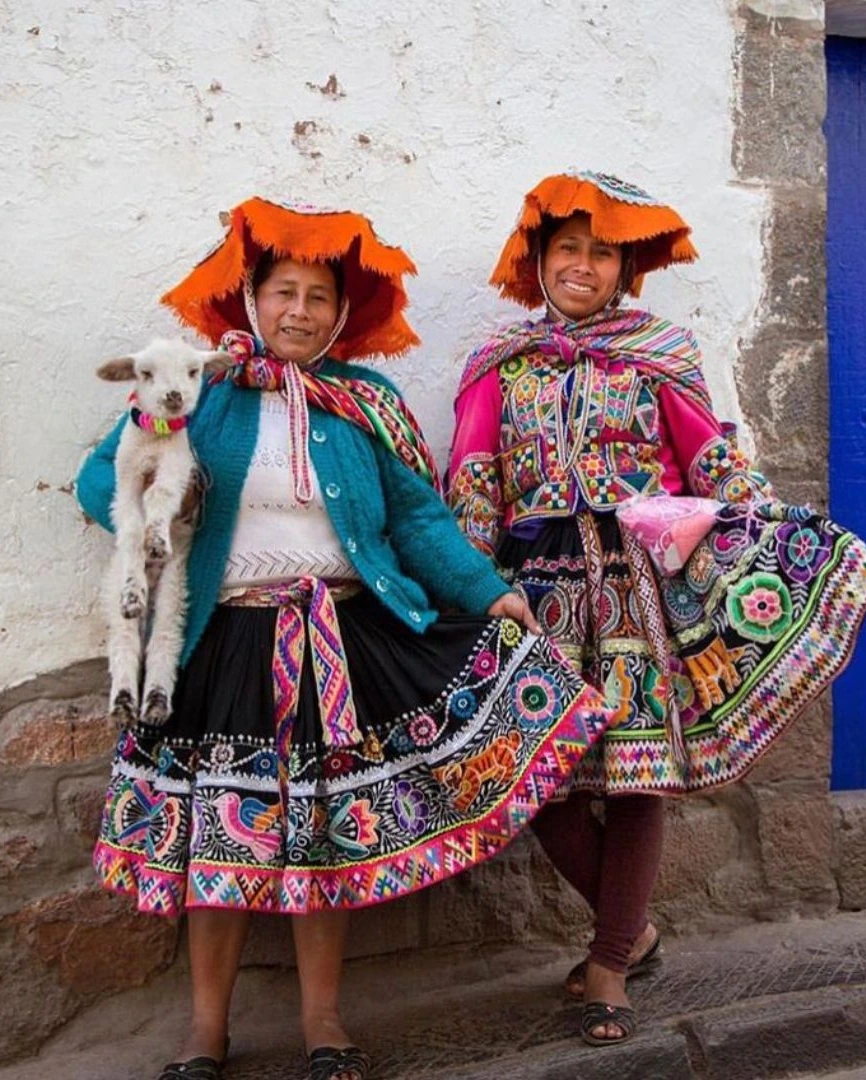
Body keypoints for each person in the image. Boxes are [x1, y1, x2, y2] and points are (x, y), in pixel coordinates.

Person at [77, 198, 606, 1080]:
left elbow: (418, 521)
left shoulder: (365, 403)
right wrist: (157, 494)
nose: (299, 311)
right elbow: (106, 482)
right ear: (252, 300)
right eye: (283, 292)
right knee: (220, 839)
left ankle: (327, 1026)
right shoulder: (199, 391)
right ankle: (206, 1033)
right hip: (224, 639)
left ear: (340, 314)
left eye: (318, 298)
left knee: (327, 839)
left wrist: (489, 594)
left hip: (342, 638)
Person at [445, 170, 866, 1046]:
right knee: (535, 774)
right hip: (533, 590)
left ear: (624, 269)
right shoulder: (499, 362)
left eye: (600, 252)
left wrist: (763, 521)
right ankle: (636, 932)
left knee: (637, 770)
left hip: (636, 584)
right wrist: (466, 586)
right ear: (540, 261)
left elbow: (705, 455)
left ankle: (608, 963)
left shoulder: (659, 353)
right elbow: (473, 477)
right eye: (566, 249)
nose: (582, 266)